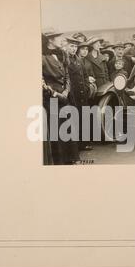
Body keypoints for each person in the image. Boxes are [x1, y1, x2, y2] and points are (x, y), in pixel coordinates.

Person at [42, 29, 80, 165]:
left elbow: (67, 76)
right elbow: (42, 82)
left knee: (69, 128)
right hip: (51, 100)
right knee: (57, 132)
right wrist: (55, 94)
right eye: (58, 37)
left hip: (65, 97)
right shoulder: (42, 57)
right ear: (50, 40)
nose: (61, 40)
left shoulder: (62, 54)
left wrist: (66, 91)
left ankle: (72, 159)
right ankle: (60, 163)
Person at [65, 36, 94, 151]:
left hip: (82, 94)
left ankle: (84, 144)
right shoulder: (65, 60)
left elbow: (85, 75)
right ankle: (75, 146)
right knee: (74, 119)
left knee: (84, 118)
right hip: (73, 95)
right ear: (66, 46)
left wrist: (87, 87)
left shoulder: (79, 60)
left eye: (75, 46)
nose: (73, 48)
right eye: (71, 46)